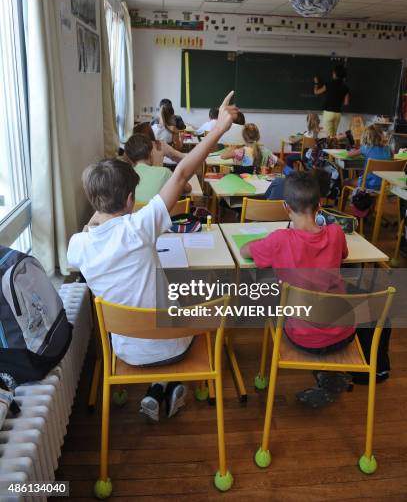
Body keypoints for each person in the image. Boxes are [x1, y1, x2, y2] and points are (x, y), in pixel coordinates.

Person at [67, 92, 238, 421]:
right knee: (190, 299)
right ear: (131, 200)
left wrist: (96, 217)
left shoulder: (79, 246)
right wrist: (218, 130)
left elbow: (89, 232)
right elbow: (182, 173)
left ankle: (158, 388)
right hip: (173, 343)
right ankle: (169, 385)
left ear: (93, 200)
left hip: (125, 349)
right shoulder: (139, 227)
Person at [240, 172, 354, 407]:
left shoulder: (279, 239)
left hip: (305, 339)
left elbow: (245, 251)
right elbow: (344, 255)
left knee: (266, 289)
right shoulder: (335, 233)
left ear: (285, 207)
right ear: (320, 205)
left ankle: (267, 370)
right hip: (344, 334)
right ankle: (328, 376)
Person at [123, 134, 191, 202]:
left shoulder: (123, 177)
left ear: (130, 158)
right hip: (162, 212)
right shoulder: (164, 173)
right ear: (151, 153)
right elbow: (188, 188)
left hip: (134, 212)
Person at [347, 124, 392, 190]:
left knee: (347, 181)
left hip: (368, 185)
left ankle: (351, 199)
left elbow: (349, 154)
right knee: (362, 175)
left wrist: (353, 150)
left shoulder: (366, 148)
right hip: (384, 185)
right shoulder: (387, 149)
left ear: (366, 137)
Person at [314, 63, 350, 137]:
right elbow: (346, 103)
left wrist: (316, 83)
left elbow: (316, 92)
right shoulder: (345, 87)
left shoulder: (328, 84)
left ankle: (331, 148)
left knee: (329, 137)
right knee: (333, 136)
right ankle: (334, 147)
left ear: (335, 74)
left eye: (333, 72)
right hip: (337, 114)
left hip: (328, 113)